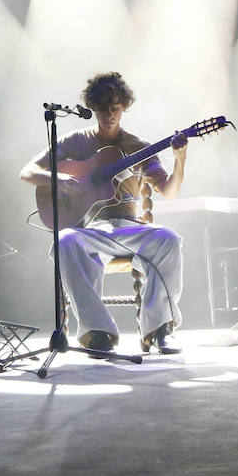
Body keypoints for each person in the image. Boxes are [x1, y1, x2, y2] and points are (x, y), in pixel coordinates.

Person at [20, 71, 188, 355]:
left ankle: (159, 330)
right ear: (92, 108)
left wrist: (180, 159)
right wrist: (58, 180)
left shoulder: (138, 146)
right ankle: (98, 332)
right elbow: (28, 172)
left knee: (169, 238)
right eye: (102, 109)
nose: (109, 114)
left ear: (123, 107)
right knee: (64, 241)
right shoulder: (76, 142)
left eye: (115, 108)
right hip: (92, 228)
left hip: (129, 228)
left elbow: (168, 191)